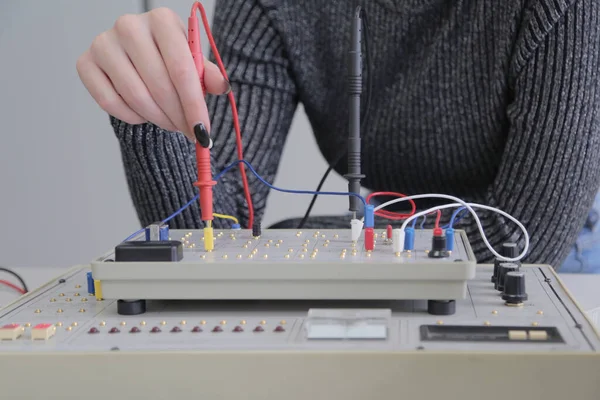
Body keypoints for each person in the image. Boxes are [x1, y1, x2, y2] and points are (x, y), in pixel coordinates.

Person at [77, 0, 600, 269]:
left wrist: (305, 236)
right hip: (395, 244)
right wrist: (147, 116)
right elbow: (216, 233)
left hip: (568, 258)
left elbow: (518, 248)